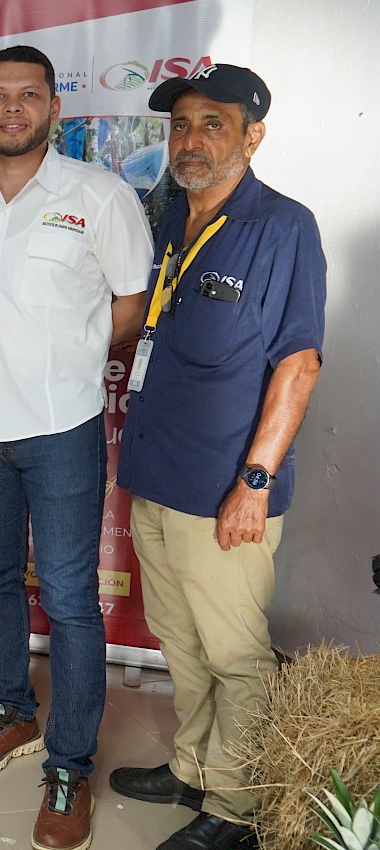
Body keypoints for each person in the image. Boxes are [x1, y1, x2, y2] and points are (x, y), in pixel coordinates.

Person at [0, 46, 154, 850]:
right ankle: (13, 711)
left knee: (66, 595)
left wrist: (74, 355)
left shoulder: (99, 194)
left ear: (55, 107)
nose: (13, 107)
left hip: (60, 426)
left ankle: (70, 764)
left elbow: (131, 302)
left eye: (30, 94)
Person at [111, 64, 325, 850]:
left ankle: (236, 808)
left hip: (224, 490)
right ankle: (195, 769)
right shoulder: (172, 218)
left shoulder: (282, 228)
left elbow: (299, 363)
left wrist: (254, 483)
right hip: (157, 479)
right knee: (182, 642)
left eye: (213, 124)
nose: (191, 141)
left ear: (252, 136)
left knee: (236, 656)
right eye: (180, 125)